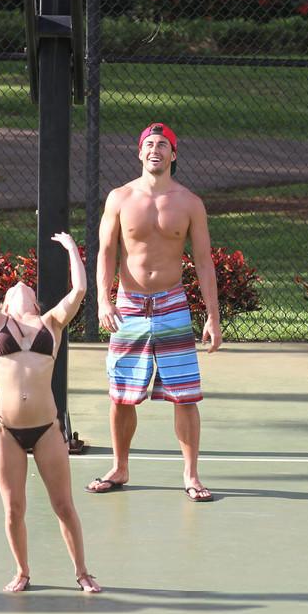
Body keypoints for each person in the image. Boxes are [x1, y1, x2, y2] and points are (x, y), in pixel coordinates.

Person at [0, 220, 101, 594]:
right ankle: (22, 571)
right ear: (4, 304)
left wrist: (71, 249)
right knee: (14, 509)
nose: (20, 285)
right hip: (5, 430)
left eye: (28, 288)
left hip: (47, 430)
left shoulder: (51, 323)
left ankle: (82, 572)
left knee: (64, 506)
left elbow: (80, 289)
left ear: (37, 302)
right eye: (11, 290)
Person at [85, 122, 221, 503]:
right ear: (140, 152)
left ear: (173, 155)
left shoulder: (190, 203)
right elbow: (106, 252)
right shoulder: (120, 198)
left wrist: (213, 317)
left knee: (185, 396)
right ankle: (120, 467)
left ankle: (191, 475)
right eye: (149, 144)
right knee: (121, 395)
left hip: (172, 305)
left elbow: (204, 261)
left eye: (163, 145)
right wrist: (103, 300)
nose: (155, 150)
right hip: (129, 306)